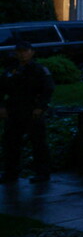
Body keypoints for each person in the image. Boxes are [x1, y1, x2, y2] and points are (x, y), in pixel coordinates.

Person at [0, 41, 55, 183]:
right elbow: (2, 88)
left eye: (25, 51)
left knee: (38, 142)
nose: (22, 54)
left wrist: (41, 107)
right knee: (11, 143)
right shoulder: (11, 69)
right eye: (19, 51)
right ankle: (10, 173)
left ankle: (42, 173)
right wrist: (2, 107)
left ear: (32, 52)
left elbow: (47, 89)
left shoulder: (38, 70)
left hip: (32, 110)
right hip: (14, 110)